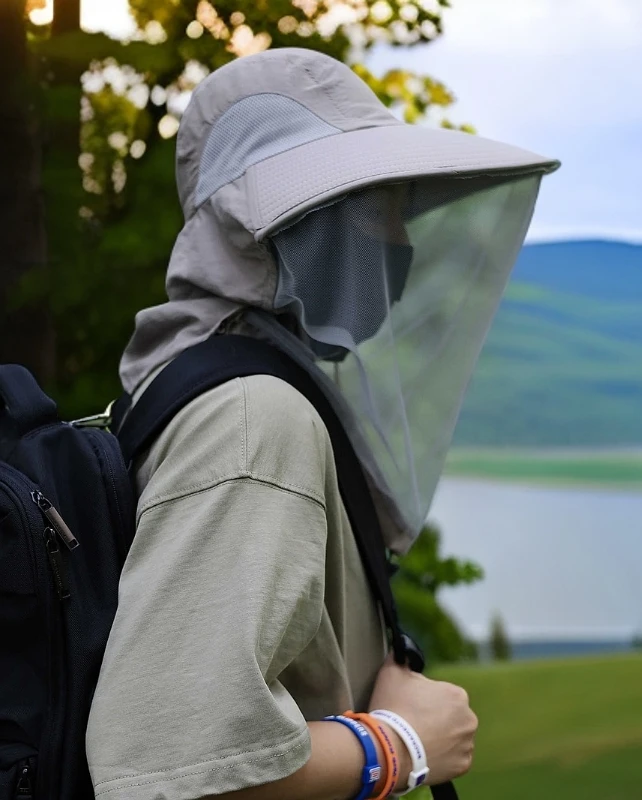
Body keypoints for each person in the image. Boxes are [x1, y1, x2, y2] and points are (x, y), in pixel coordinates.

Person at [86, 47, 558, 800]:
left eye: (400, 203)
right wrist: (400, 745)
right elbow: (168, 775)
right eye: (374, 205)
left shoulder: (220, 386)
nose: (399, 238)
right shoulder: (251, 418)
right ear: (280, 225)